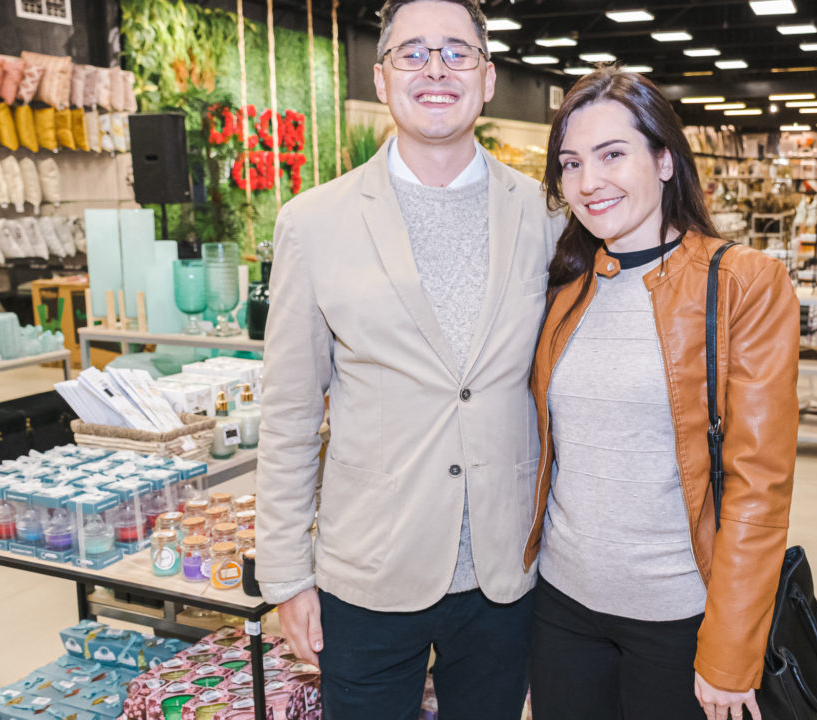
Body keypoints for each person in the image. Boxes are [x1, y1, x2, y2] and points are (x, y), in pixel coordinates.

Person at [254, 1, 562, 718]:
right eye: (413, 52)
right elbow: (291, 412)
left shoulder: (547, 216)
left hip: (504, 572)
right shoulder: (314, 221)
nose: (435, 70)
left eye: (457, 53)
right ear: (381, 76)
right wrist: (286, 576)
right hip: (368, 571)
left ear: (487, 79)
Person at [525, 67, 799, 720]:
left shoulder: (742, 285)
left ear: (665, 159)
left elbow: (761, 483)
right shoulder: (565, 286)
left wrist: (731, 652)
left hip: (679, 617)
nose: (588, 183)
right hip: (562, 609)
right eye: (570, 163)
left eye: (612, 154)